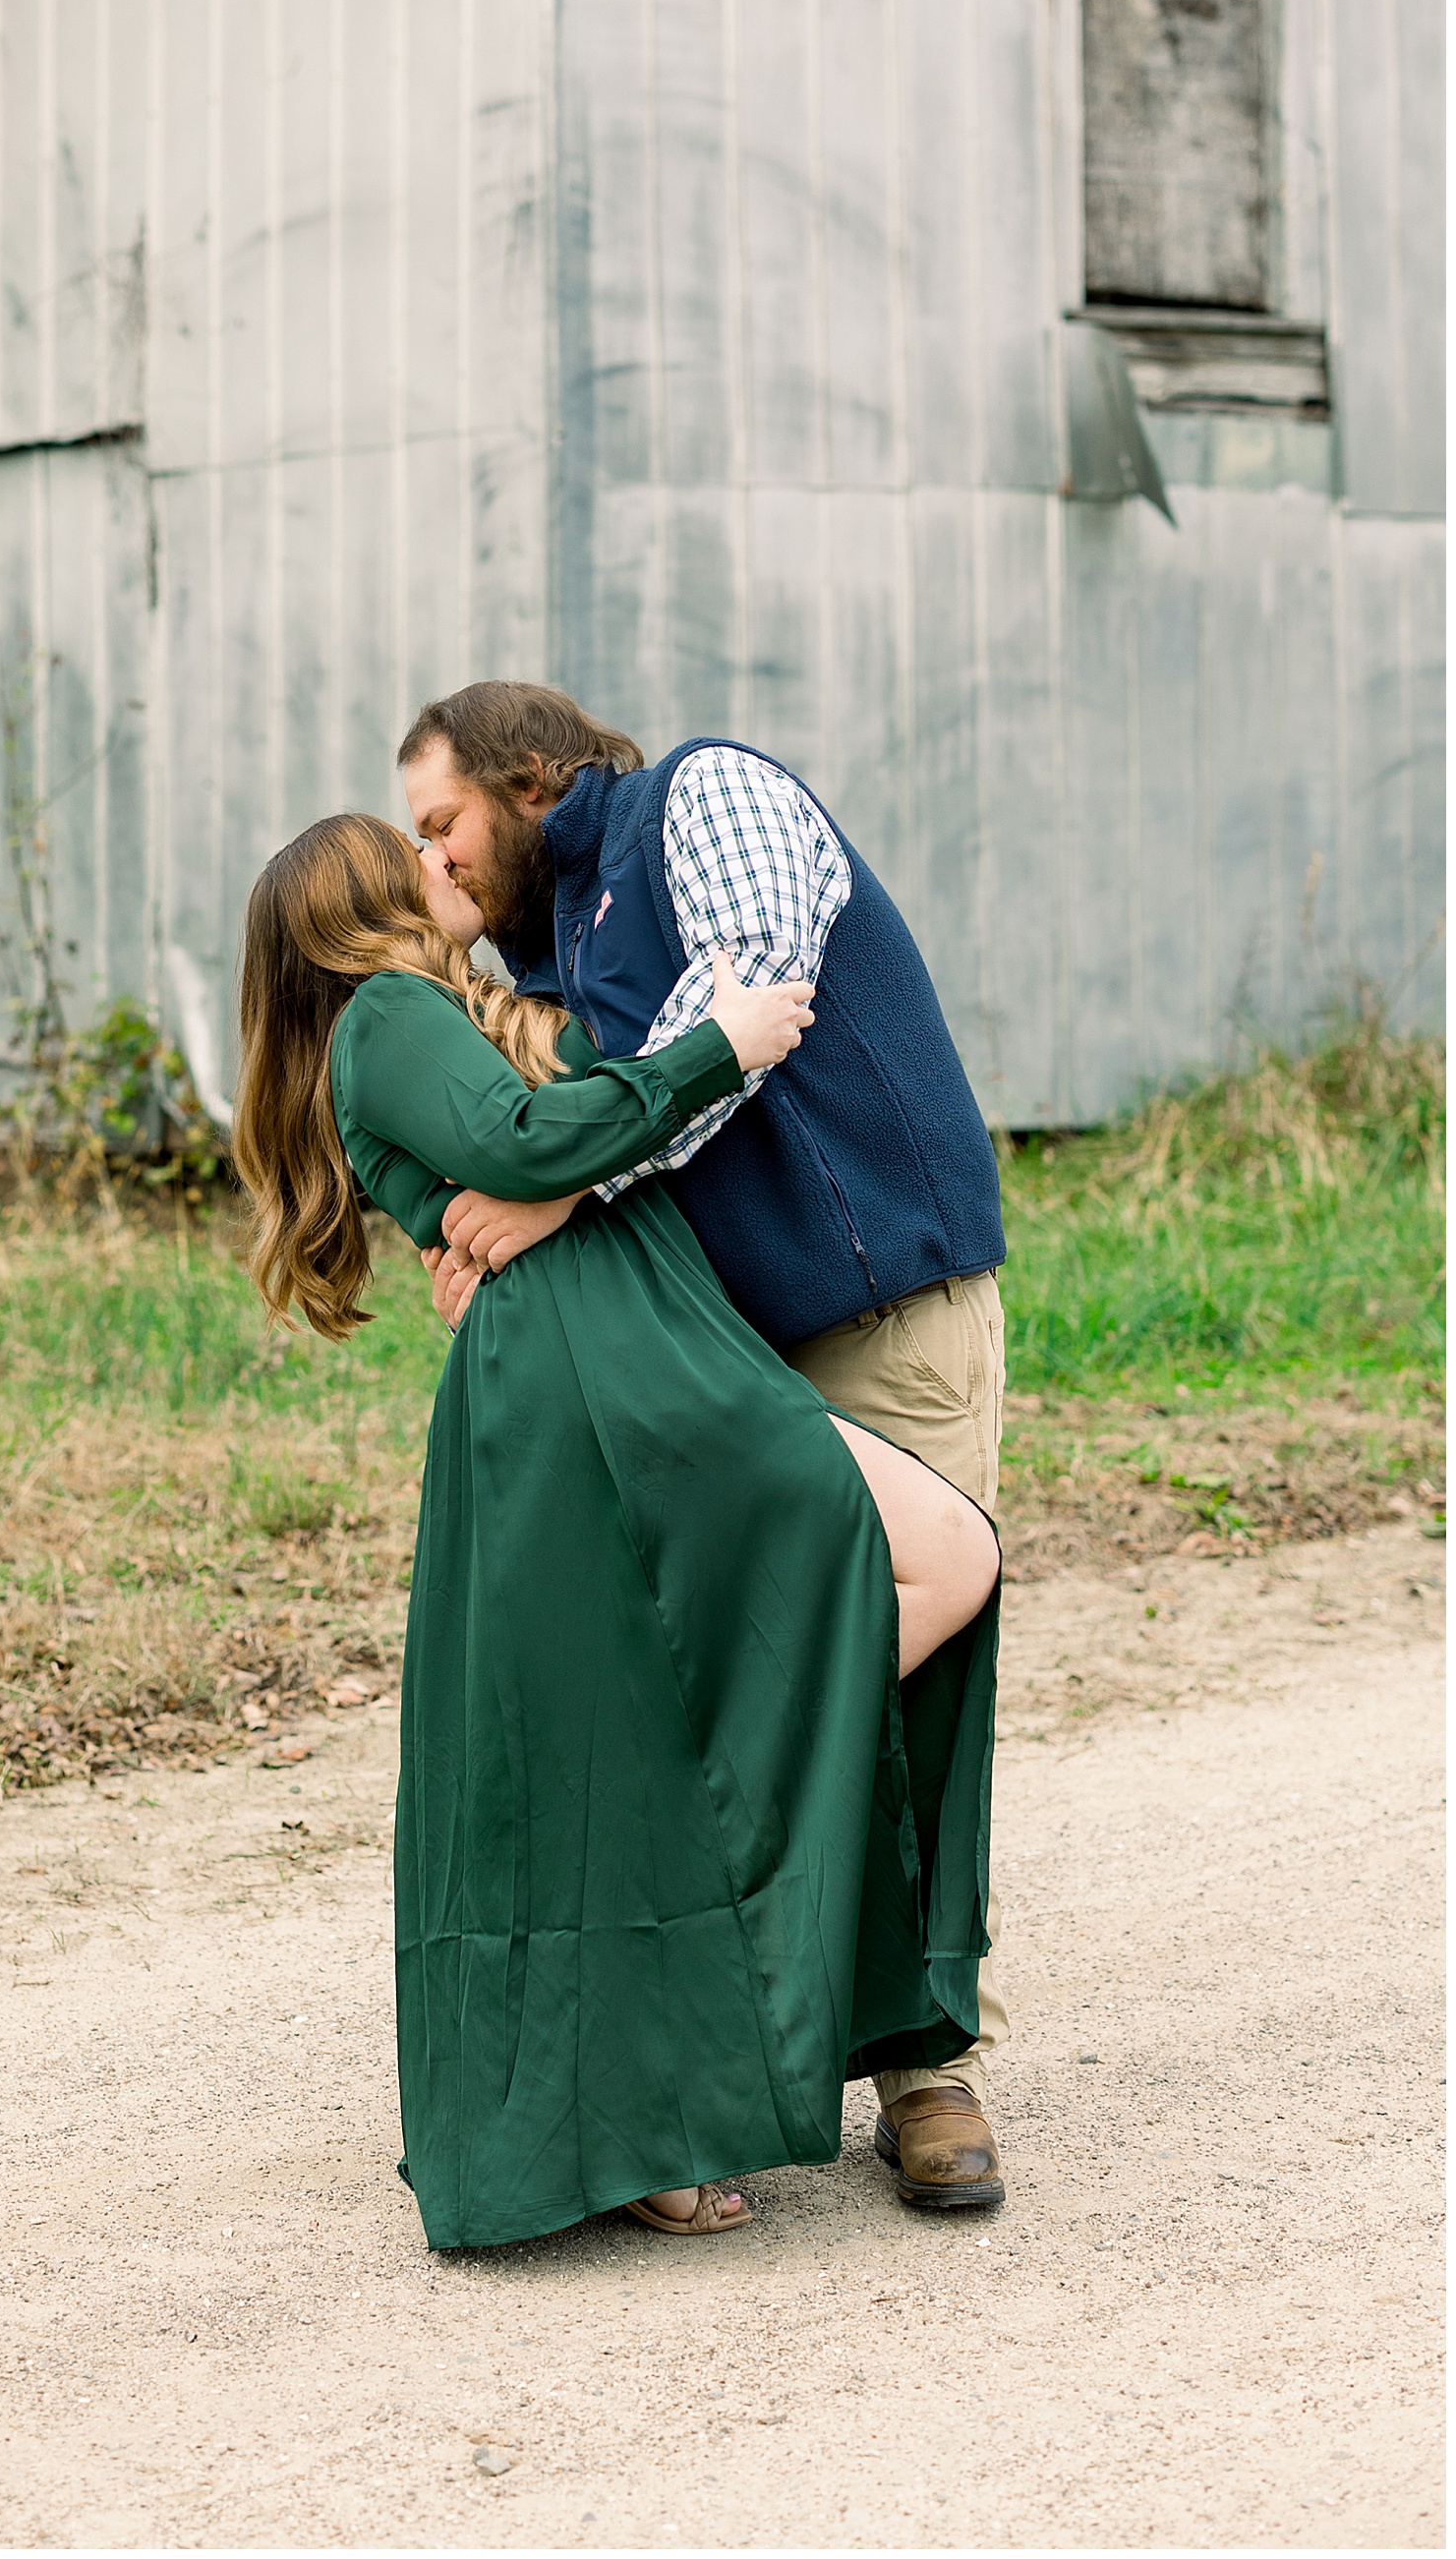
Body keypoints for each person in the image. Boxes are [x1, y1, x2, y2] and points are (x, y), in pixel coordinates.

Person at [232, 813, 1001, 2252]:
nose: (434, 859)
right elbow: (524, 1141)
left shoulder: (436, 1015)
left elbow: (536, 1149)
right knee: (933, 1558)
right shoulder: (386, 1015)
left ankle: (718, 1839)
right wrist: (728, 1041)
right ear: (358, 906)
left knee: (922, 1568)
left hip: (635, 1341)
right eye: (407, 847)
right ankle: (653, 2089)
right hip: (610, 1362)